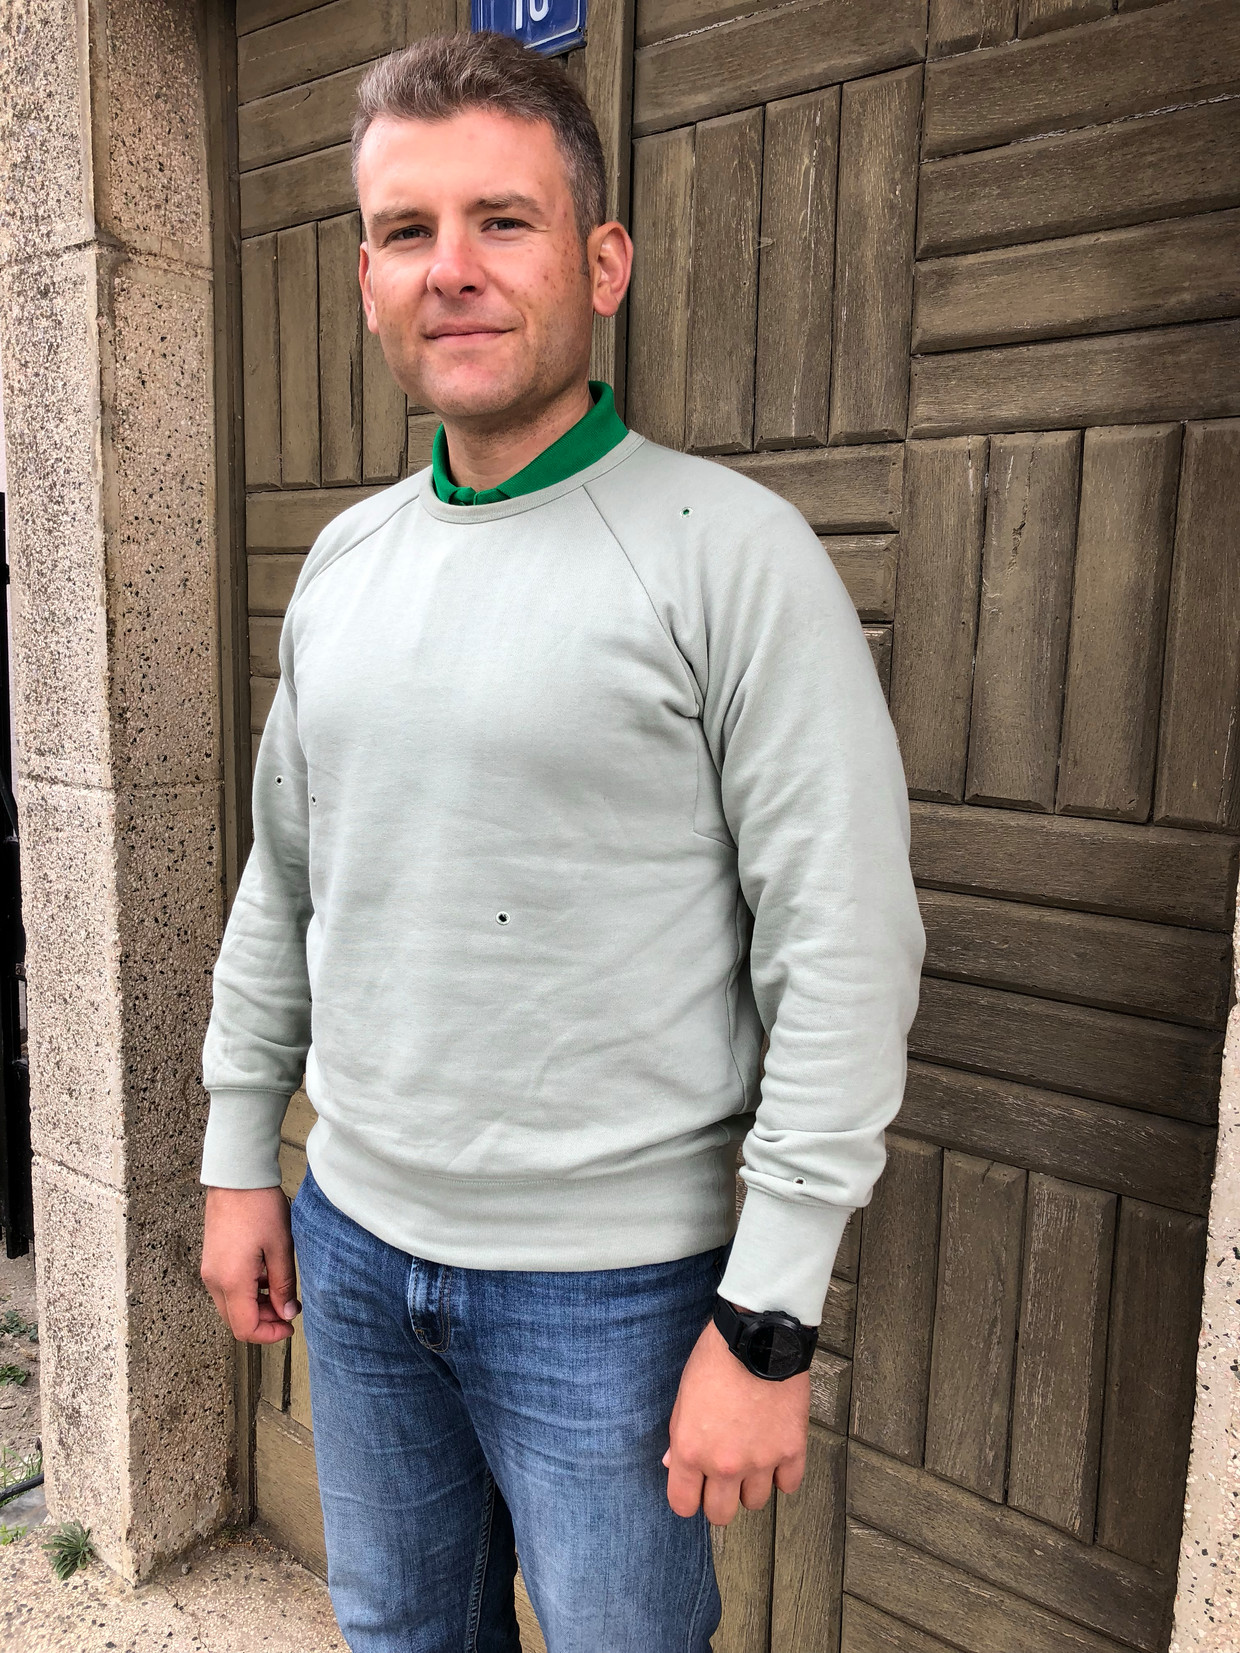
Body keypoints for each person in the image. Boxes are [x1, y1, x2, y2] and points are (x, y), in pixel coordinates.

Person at [198, 30, 924, 1653]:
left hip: (616, 1294)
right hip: (354, 1248)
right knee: (400, 1633)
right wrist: (242, 1149)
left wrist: (770, 1311)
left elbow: (845, 945)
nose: (450, 268)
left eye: (501, 221)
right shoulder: (342, 564)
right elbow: (285, 881)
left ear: (602, 263)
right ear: (367, 278)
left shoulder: (733, 556)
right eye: (407, 230)